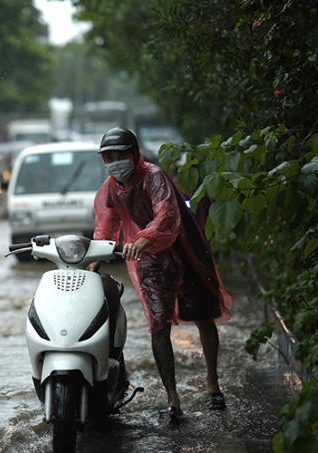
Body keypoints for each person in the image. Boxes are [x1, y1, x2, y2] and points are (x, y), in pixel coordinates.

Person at [87, 127, 231, 423]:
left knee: (203, 315)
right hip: (151, 259)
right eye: (108, 158)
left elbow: (165, 213)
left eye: (119, 156)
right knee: (157, 325)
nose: (115, 162)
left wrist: (143, 238)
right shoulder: (113, 188)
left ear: (134, 155)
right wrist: (95, 257)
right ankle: (173, 400)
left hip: (185, 250)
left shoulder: (154, 176)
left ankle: (212, 384)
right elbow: (107, 223)